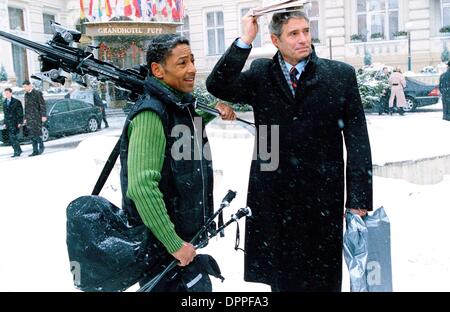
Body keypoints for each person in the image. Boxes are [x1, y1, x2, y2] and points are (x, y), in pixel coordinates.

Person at [206, 10, 373, 292]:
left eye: (306, 31)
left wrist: (358, 198)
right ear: (275, 40)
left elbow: (358, 141)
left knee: (322, 279)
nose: (303, 39)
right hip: (274, 196)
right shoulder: (260, 74)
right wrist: (245, 39)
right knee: (282, 280)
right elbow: (218, 84)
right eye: (293, 34)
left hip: (322, 197)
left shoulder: (339, 76)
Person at [119, 34, 235, 292]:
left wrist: (217, 108)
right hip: (163, 252)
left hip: (183, 247)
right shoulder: (151, 114)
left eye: (192, 60)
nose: (192, 68)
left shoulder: (178, 106)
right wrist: (174, 244)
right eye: (182, 63)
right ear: (158, 70)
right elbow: (141, 187)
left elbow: (186, 126)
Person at [22, 80, 47, 156]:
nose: (24, 88)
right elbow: (26, 107)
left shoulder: (37, 93)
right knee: (31, 135)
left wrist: (43, 115)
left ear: (30, 86)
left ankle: (41, 145)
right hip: (29, 118)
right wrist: (25, 118)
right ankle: (35, 151)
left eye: (25, 87)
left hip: (37, 117)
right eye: (23, 87)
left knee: (36, 134)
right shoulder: (26, 95)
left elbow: (42, 105)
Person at [2, 88, 23, 157]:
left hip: (15, 122)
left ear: (11, 93)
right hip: (8, 123)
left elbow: (20, 113)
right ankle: (18, 150)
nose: (6, 95)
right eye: (5, 93)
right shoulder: (4, 102)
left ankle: (17, 151)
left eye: (7, 93)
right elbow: (5, 114)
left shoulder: (17, 102)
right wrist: (5, 123)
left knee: (13, 137)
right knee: (12, 138)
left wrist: (20, 122)